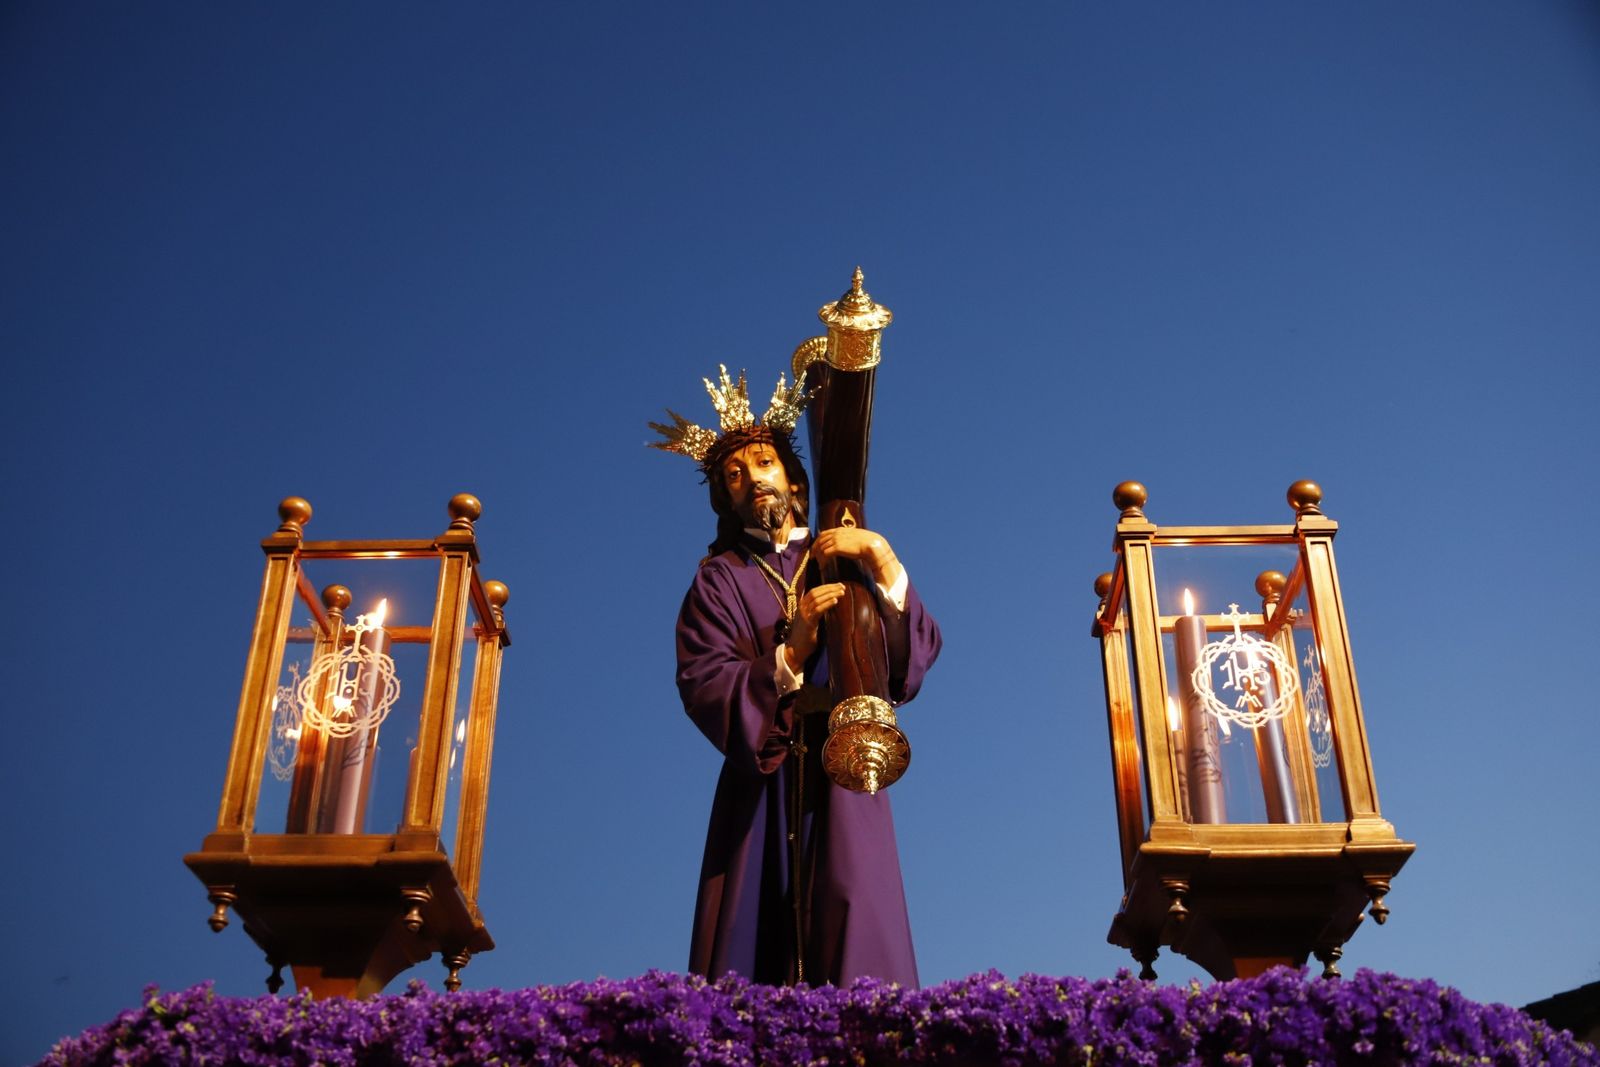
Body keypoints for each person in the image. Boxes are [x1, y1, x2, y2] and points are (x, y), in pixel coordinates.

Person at [652, 366, 941, 987]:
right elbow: (703, 682)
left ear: (794, 479)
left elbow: (907, 666)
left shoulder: (843, 548)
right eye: (734, 475)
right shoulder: (719, 579)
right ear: (725, 501)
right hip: (762, 783)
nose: (752, 478)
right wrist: (790, 654)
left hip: (846, 766)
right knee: (757, 949)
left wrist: (885, 564)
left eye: (762, 463)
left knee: (858, 919)